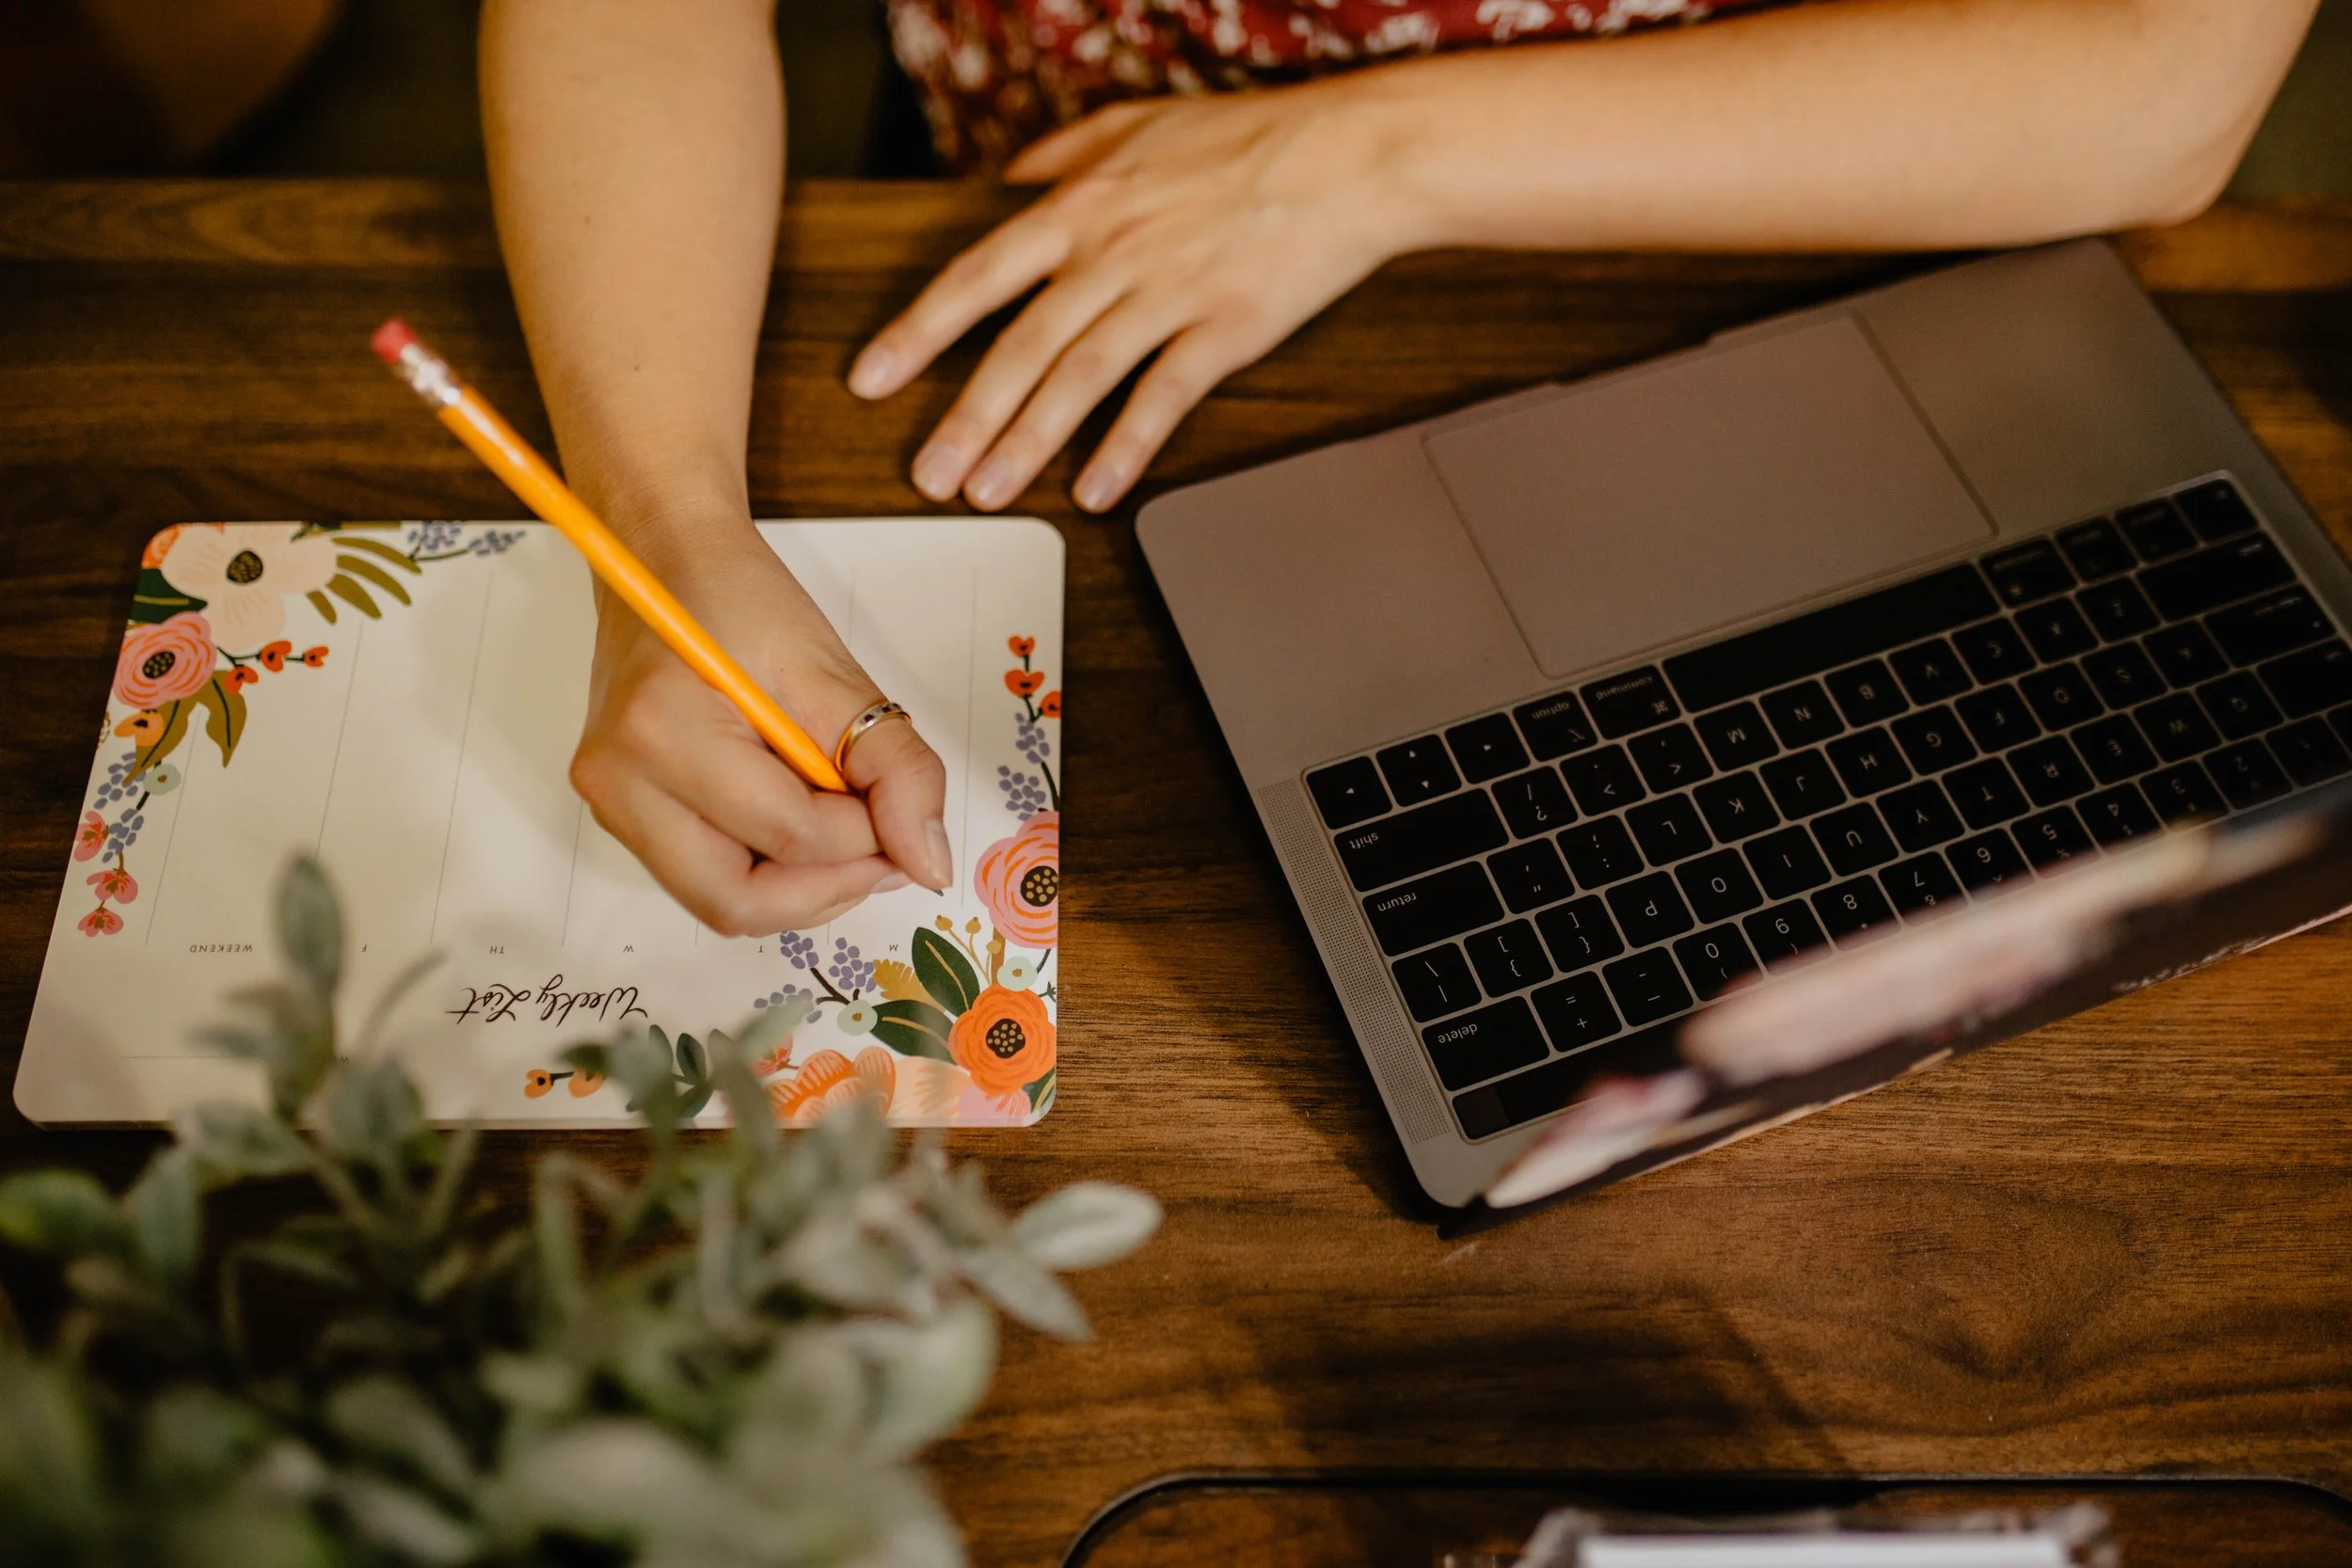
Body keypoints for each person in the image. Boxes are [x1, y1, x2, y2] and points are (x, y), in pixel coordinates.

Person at [477, 0, 2317, 937]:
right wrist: (661, 517)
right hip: (1053, 185)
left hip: (1806, 177)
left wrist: (1364, 162)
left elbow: (2148, 74)